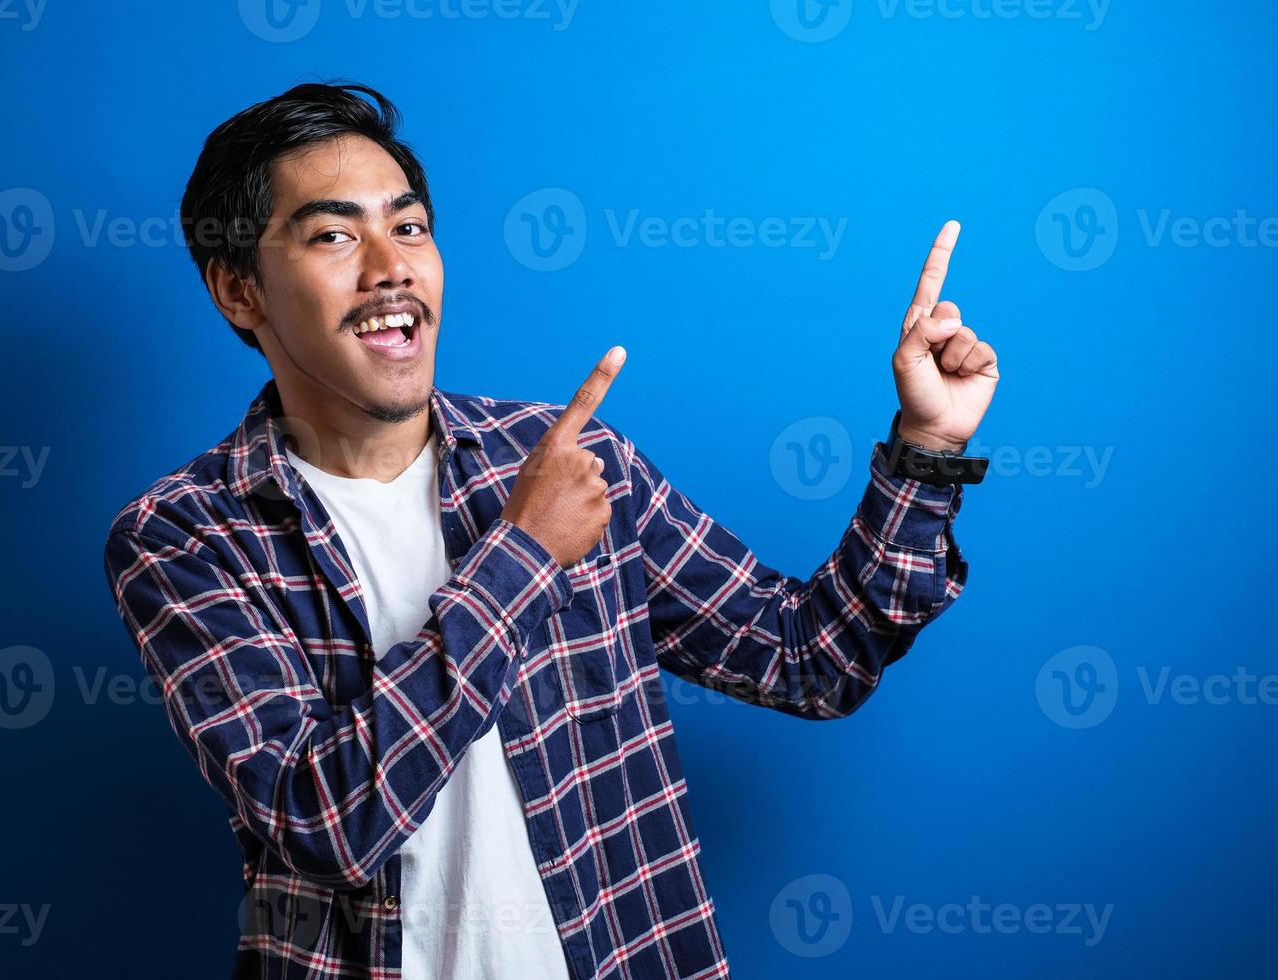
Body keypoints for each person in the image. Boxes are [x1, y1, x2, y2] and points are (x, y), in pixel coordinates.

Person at [102, 81, 1000, 980]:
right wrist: (525, 554)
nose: (390, 267)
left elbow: (812, 661)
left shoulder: (566, 458)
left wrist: (926, 447)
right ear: (237, 289)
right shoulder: (185, 537)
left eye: (409, 227)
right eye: (334, 234)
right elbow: (325, 821)